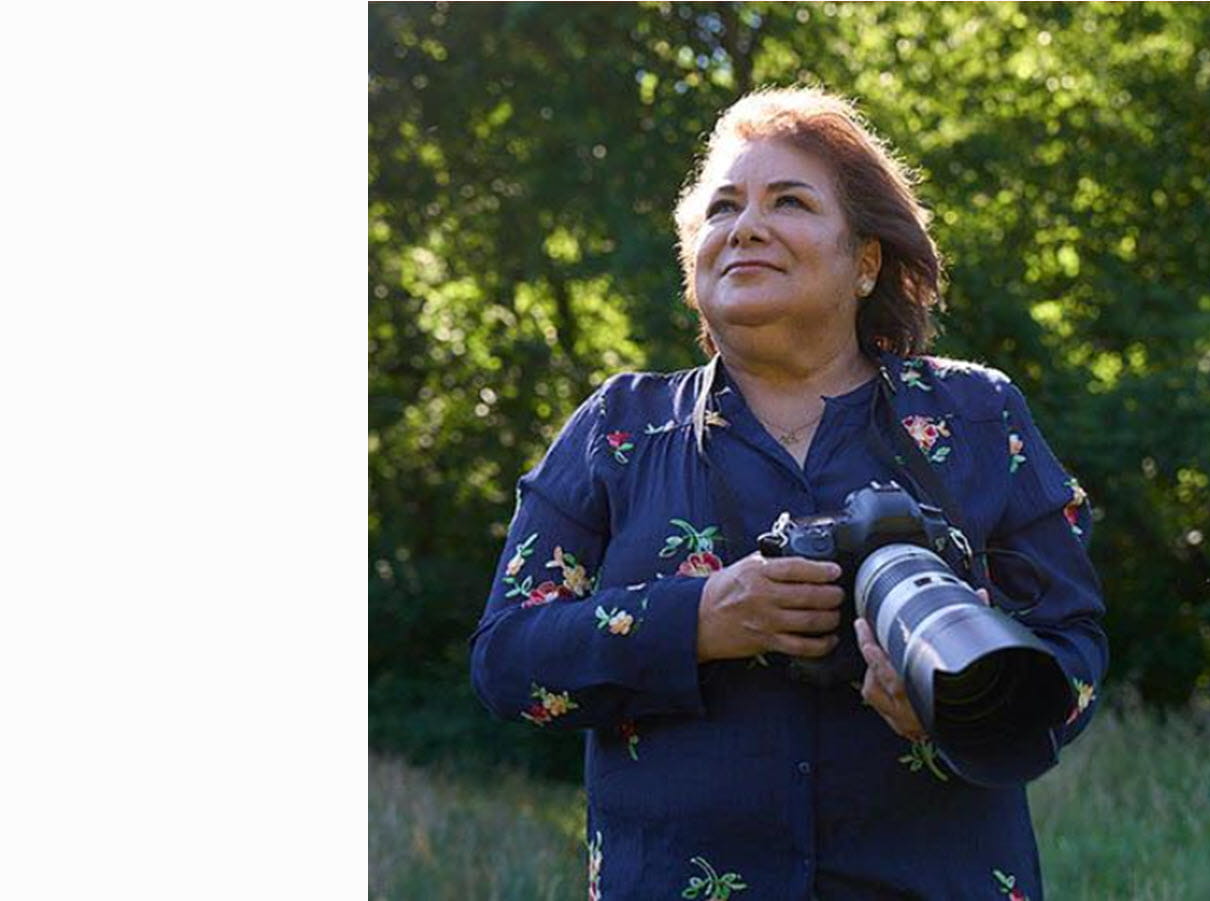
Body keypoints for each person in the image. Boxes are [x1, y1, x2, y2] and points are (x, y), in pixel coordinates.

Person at [469, 86, 1107, 900]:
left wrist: (953, 709)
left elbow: (1073, 647)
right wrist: (700, 621)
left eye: (790, 201)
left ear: (865, 261)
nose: (745, 227)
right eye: (723, 208)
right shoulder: (618, 432)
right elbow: (506, 659)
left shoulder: (976, 417)